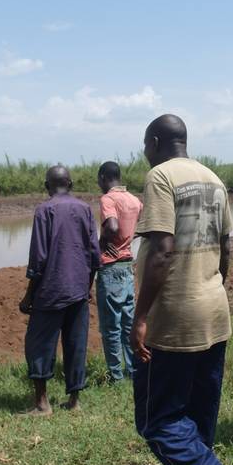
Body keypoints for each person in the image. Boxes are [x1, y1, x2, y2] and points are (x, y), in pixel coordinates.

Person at [131, 114, 233, 465]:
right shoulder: (215, 179)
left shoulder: (160, 177)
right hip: (214, 313)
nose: (145, 153)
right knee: (198, 418)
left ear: (155, 142)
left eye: (145, 145)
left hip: (174, 320)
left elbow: (161, 251)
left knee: (158, 421)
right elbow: (225, 249)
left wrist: (140, 317)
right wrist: (211, 287)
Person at [19, 166, 100, 415]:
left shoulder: (45, 210)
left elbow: (39, 257)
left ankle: (42, 403)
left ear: (47, 186)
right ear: (71, 184)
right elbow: (94, 254)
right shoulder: (84, 209)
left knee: (39, 343)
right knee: (76, 343)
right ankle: (74, 401)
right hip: (77, 289)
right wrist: (87, 286)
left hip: (50, 290)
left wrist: (29, 294)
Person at [95, 161, 142, 382]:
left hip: (111, 267)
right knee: (127, 322)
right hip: (127, 267)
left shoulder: (108, 199)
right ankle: (133, 371)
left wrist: (102, 242)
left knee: (110, 326)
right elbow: (141, 228)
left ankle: (116, 376)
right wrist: (126, 241)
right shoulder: (135, 201)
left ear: (104, 177)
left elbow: (112, 226)